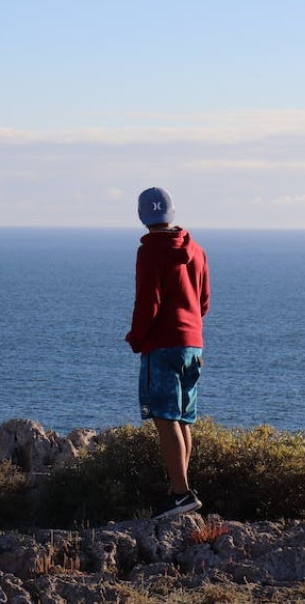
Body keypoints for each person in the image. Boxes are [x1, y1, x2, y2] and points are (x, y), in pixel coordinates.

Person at [125, 187, 210, 518]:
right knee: (183, 419)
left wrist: (136, 338)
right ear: (171, 213)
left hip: (161, 346)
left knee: (164, 418)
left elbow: (148, 303)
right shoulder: (197, 250)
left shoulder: (149, 252)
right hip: (193, 345)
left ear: (142, 217)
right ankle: (183, 493)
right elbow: (204, 301)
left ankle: (179, 493)